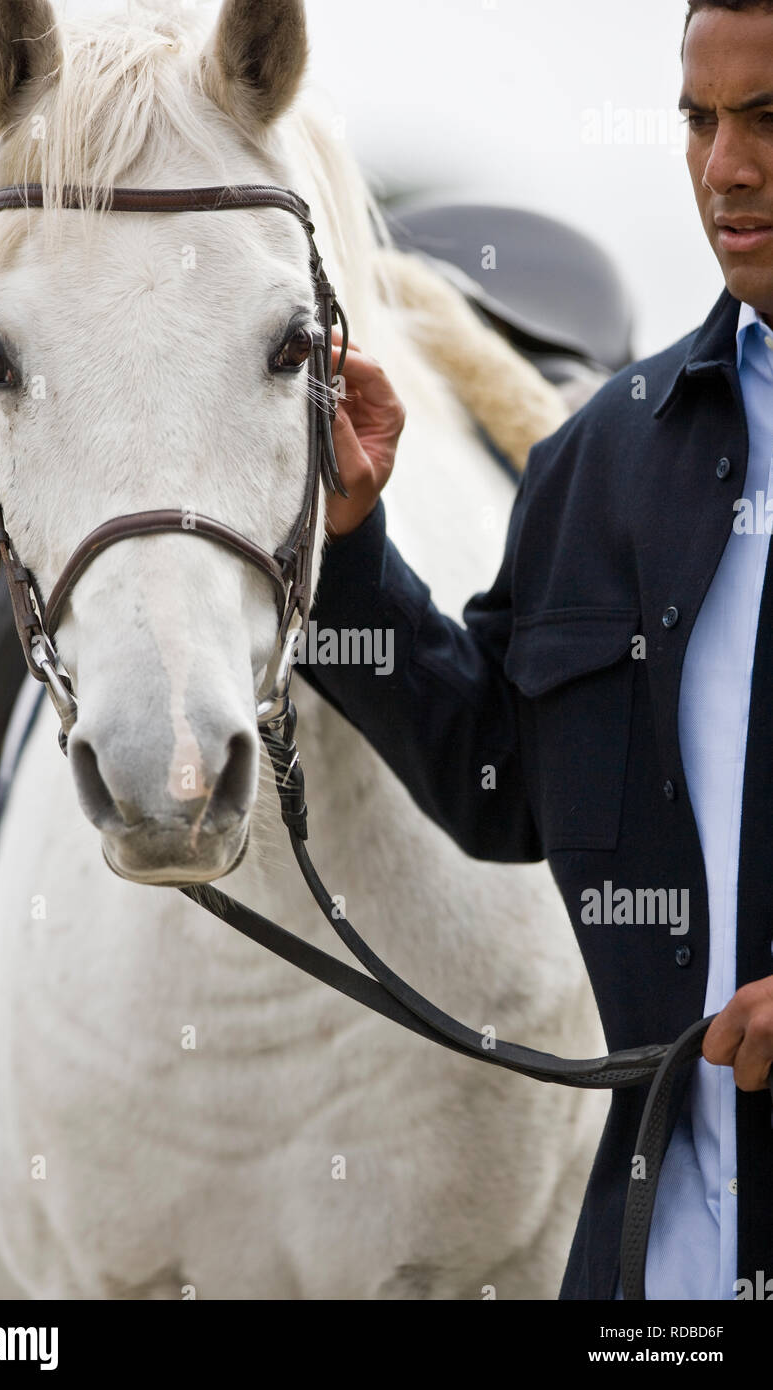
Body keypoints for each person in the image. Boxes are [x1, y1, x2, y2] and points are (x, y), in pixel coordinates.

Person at [298, 0, 773, 1300]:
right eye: (697, 118)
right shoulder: (598, 461)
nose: (724, 166)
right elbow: (496, 781)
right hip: (650, 1271)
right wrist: (346, 542)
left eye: (766, 118)